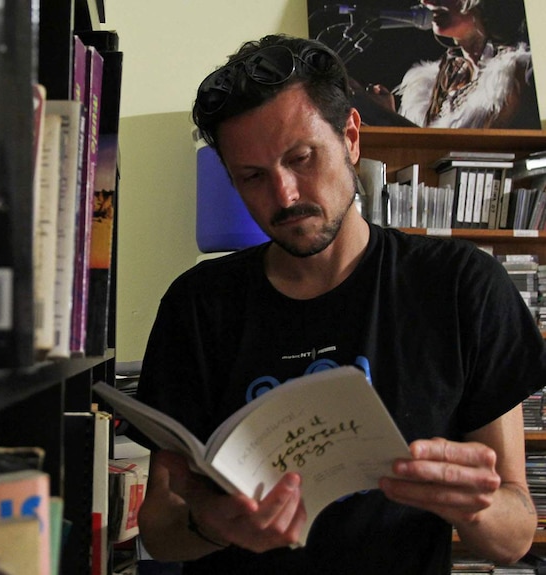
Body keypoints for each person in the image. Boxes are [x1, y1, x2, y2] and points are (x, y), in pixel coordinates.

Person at [130, 33, 546, 574]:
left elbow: (513, 538)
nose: (283, 195)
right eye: (252, 177)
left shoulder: (461, 287)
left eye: (301, 158)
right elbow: (161, 532)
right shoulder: (198, 304)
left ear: (351, 136)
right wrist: (213, 524)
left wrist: (477, 506)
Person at [370, 0, 540, 128]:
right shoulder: (433, 81)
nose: (427, 2)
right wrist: (386, 114)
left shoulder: (513, 73)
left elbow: (473, 148)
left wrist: (387, 118)